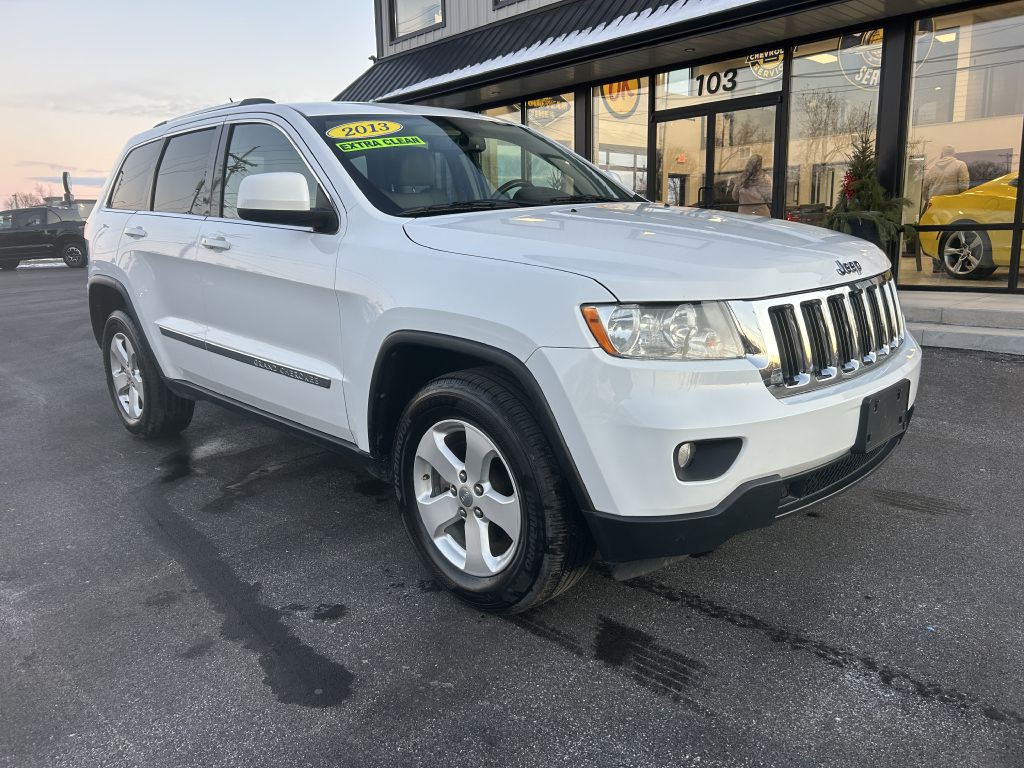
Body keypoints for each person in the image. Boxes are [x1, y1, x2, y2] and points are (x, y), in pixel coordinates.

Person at [922, 146, 970, 272]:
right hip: (953, 206)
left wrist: (930, 201)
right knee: (955, 235)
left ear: (942, 154)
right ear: (954, 154)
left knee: (936, 235)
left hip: (935, 206)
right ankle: (954, 265)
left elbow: (925, 189)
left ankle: (937, 266)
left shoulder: (932, 168)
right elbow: (964, 185)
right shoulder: (960, 165)